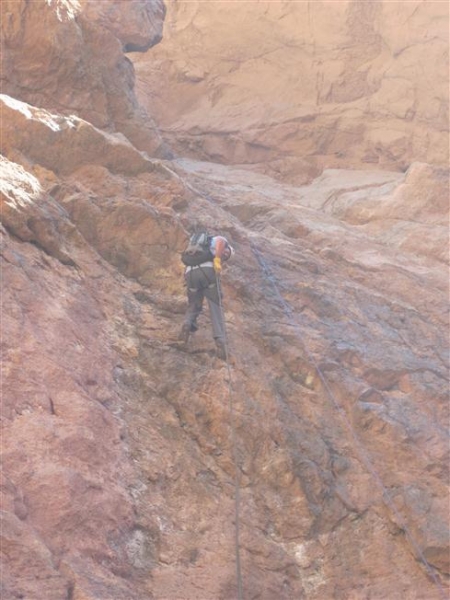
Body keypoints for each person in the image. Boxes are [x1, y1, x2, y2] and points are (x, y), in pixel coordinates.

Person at [179, 234, 234, 359]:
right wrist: (217, 260)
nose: (225, 256)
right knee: (215, 304)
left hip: (190, 273)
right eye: (227, 253)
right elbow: (221, 240)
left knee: (194, 304)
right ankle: (220, 339)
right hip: (208, 272)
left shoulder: (199, 247)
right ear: (227, 248)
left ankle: (187, 324)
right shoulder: (217, 241)